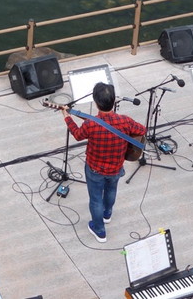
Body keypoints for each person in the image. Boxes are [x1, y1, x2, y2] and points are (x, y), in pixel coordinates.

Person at [59, 83, 146, 243]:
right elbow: (141, 129)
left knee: (95, 199)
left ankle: (99, 230)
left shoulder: (91, 124)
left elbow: (78, 135)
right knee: (111, 190)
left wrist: (67, 117)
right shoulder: (124, 121)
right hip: (116, 167)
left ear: (96, 101)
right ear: (113, 101)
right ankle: (107, 214)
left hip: (95, 169)